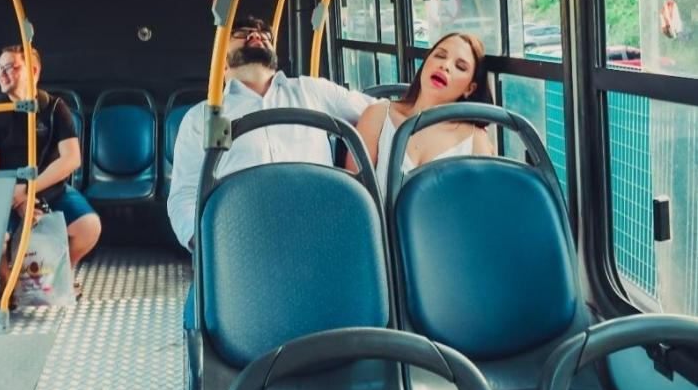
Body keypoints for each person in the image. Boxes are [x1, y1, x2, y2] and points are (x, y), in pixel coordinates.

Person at [167, 16, 375, 251]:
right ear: (221, 58)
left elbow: (377, 113)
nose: (256, 35)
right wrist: (207, 244)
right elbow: (184, 195)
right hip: (242, 237)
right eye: (242, 33)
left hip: (320, 228)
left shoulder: (312, 90)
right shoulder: (201, 117)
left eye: (265, 34)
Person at [0, 45, 102, 295]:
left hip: (50, 190)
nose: (2, 74)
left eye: (9, 67)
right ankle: (8, 284)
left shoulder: (55, 109)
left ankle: (58, 277)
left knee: (89, 226)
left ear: (33, 71)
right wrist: (17, 200)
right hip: (8, 195)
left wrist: (30, 190)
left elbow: (71, 159)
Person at [346, 32, 495, 192]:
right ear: (426, 62)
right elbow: (353, 195)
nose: (445, 66)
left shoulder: (475, 139)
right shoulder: (377, 115)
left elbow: (483, 207)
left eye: (460, 66)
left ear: (469, 88)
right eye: (439, 55)